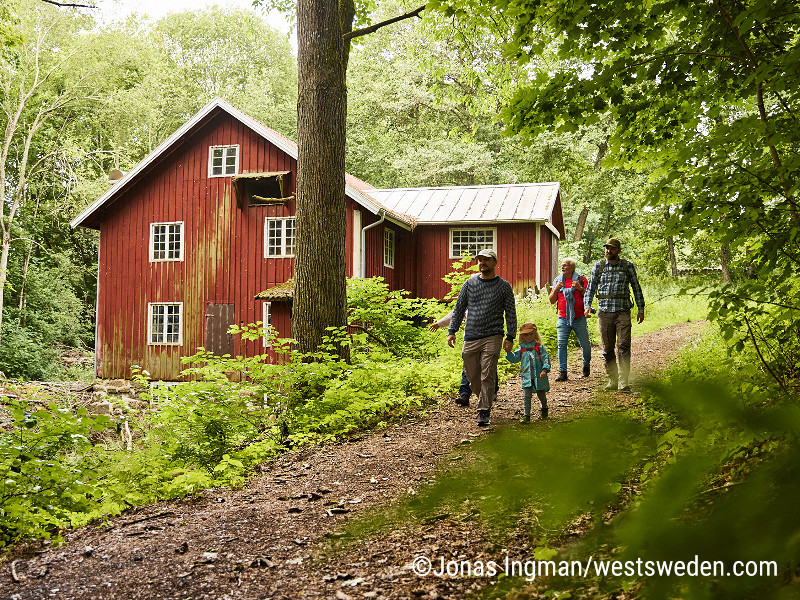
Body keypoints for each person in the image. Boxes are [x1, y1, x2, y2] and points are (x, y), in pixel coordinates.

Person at [447, 249, 517, 426]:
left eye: (486, 260)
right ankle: (485, 396)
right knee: (472, 374)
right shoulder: (469, 284)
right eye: (480, 260)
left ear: (495, 262)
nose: (482, 262)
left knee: (487, 374)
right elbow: (459, 309)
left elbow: (510, 313)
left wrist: (510, 336)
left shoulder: (504, 286)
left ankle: (484, 411)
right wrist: (452, 331)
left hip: (493, 335)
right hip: (471, 335)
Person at [583, 238, 645, 391]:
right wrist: (587, 306)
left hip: (623, 311)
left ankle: (624, 381)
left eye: (612, 248)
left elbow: (636, 287)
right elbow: (591, 288)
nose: (608, 251)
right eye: (607, 248)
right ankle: (613, 380)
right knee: (607, 348)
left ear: (619, 250)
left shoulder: (627, 266)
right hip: (604, 312)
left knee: (623, 346)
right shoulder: (599, 266)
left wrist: (641, 308)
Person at [429, 309, 498, 406]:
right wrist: (439, 324)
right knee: (468, 367)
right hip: (471, 339)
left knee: (489, 365)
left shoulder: (491, 299)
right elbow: (455, 314)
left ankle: (492, 391)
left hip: (489, 338)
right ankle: (464, 395)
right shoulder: (468, 300)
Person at [548, 258, 592, 381]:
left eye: (566, 265)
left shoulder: (581, 280)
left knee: (585, 344)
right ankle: (563, 372)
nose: (563, 267)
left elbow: (588, 297)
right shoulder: (558, 281)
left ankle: (586, 364)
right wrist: (556, 289)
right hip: (563, 318)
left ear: (572, 268)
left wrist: (579, 288)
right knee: (561, 345)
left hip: (579, 318)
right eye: (562, 265)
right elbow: (551, 301)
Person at [506, 322, 550, 421]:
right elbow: (514, 359)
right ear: (522, 336)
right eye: (526, 335)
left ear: (535, 334)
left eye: (531, 334)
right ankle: (527, 415)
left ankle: (544, 408)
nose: (529, 337)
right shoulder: (521, 349)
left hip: (538, 376)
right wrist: (509, 352)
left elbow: (545, 359)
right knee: (526, 396)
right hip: (526, 377)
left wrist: (544, 370)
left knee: (541, 393)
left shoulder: (539, 348)